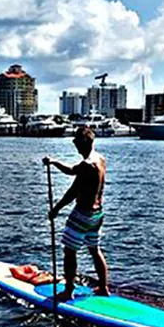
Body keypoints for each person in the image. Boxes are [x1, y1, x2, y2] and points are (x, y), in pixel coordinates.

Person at [42, 126, 109, 302]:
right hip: (97, 215)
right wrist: (54, 162)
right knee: (94, 249)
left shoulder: (87, 165)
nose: (75, 145)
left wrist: (55, 209)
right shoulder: (100, 159)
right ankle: (103, 287)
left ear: (86, 141)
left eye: (77, 142)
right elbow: (72, 170)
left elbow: (72, 192)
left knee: (69, 251)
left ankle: (68, 290)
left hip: (82, 214)